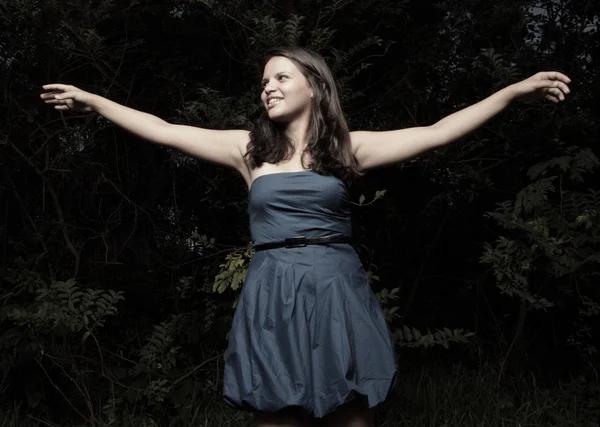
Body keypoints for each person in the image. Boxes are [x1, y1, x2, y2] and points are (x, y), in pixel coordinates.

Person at [41, 46, 570, 427]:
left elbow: (435, 133)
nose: (267, 86)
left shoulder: (348, 150)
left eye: (280, 77)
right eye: (264, 81)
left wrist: (511, 91)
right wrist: (98, 102)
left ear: (314, 86)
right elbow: (164, 129)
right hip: (273, 292)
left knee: (351, 413)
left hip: (337, 289)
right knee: (276, 412)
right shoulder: (249, 150)